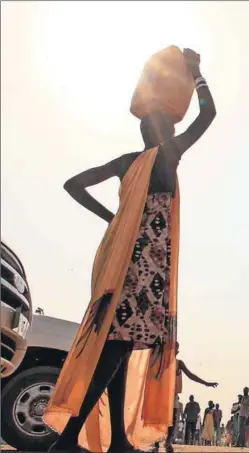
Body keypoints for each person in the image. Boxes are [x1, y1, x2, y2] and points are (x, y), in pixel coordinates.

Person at [44, 48, 216, 453]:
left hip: (119, 262)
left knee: (120, 345)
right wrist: (197, 73)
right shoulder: (167, 157)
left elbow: (73, 184)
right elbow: (207, 115)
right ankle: (68, 439)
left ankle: (119, 439)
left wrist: (114, 218)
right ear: (166, 131)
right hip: (142, 268)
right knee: (119, 345)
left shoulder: (129, 161)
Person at [154, 342, 218, 452]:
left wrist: (206, 383)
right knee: (158, 418)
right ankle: (156, 442)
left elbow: (191, 375)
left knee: (172, 419)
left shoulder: (178, 364)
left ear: (177, 352)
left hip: (173, 395)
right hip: (161, 393)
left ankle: (168, 441)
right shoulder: (160, 361)